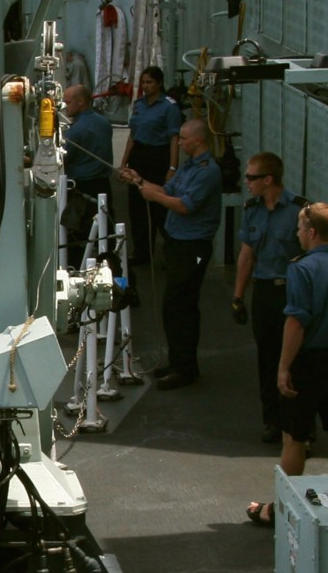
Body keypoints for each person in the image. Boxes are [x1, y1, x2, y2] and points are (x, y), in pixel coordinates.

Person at [247, 202, 328, 523]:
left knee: (294, 437)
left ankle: (282, 510)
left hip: (308, 362)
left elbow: (296, 322)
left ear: (311, 232)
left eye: (300, 228)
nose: (297, 234)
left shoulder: (300, 269)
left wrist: (284, 367)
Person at [120, 118, 220, 389]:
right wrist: (140, 181)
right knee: (174, 306)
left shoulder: (207, 172)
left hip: (193, 245)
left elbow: (185, 205)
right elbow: (168, 190)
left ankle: (184, 367)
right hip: (178, 242)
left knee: (181, 305)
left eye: (184, 139)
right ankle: (180, 362)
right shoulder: (189, 167)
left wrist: (155, 198)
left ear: (198, 140)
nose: (180, 143)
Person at [232, 152, 304, 444]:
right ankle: (273, 420)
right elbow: (247, 255)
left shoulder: (300, 211)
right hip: (264, 291)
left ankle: (299, 425)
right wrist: (238, 296)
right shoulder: (252, 210)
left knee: (296, 359)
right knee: (267, 358)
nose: (246, 182)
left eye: (251, 177)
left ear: (268, 179)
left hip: (292, 290)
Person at [117, 68, 182, 266]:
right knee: (137, 208)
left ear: (159, 84)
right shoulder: (139, 105)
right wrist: (123, 162)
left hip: (158, 156)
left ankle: (171, 253)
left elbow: (174, 138)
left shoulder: (169, 107)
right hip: (139, 155)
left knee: (160, 208)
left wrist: (171, 167)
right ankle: (142, 253)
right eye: (143, 82)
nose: (145, 86)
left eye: (150, 82)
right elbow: (133, 136)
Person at [59, 82, 114, 269]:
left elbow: (63, 159)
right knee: (106, 231)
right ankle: (110, 263)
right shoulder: (104, 123)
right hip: (103, 184)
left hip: (83, 190)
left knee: (78, 236)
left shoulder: (77, 131)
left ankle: (77, 270)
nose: (65, 106)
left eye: (67, 102)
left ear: (80, 101)